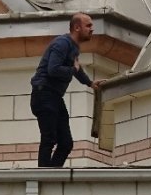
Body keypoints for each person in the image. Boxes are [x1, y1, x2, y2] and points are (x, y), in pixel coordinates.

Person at [30, 13, 104, 167]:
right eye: (88, 25)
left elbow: (76, 69)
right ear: (77, 28)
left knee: (66, 143)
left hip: (54, 97)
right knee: (49, 139)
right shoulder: (62, 43)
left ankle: (51, 174)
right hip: (44, 94)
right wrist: (72, 69)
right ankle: (44, 177)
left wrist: (90, 83)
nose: (92, 29)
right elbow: (53, 69)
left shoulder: (73, 47)